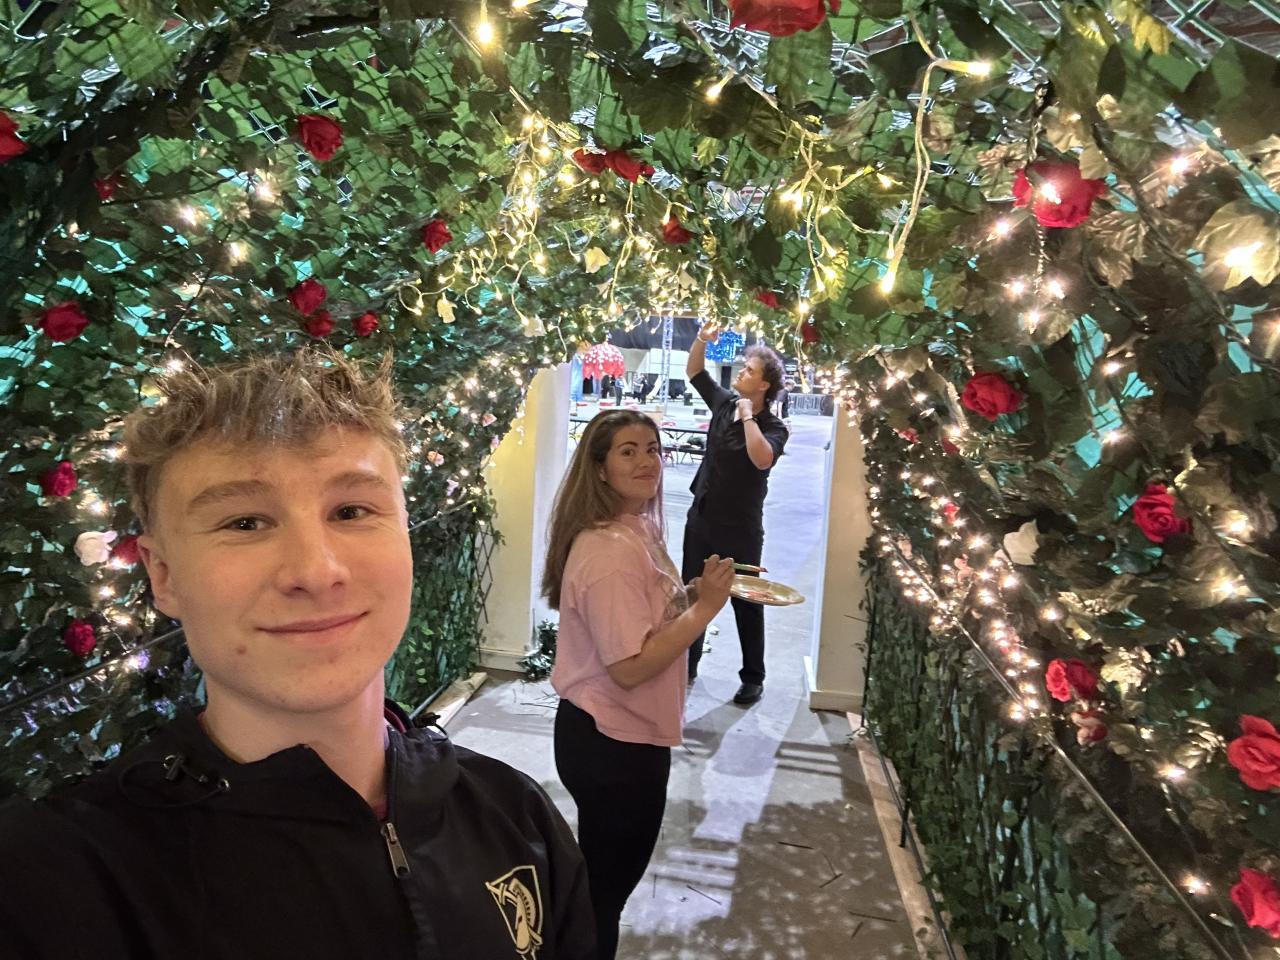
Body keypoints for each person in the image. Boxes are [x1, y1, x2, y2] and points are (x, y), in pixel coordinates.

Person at [0, 348, 594, 960]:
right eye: (244, 523)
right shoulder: (55, 885)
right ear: (164, 575)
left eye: (351, 511)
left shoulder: (517, 816)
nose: (316, 571)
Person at [542, 410, 734, 960]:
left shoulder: (635, 528)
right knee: (604, 893)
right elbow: (628, 667)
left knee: (604, 883)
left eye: (652, 448)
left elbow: (643, 624)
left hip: (624, 734)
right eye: (628, 451)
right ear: (599, 468)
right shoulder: (609, 551)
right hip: (611, 742)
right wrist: (704, 611)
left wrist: (686, 599)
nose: (647, 461)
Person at [682, 329, 789, 704]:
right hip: (702, 518)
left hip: (740, 528)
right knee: (693, 592)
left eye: (749, 370)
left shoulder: (774, 427)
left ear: (764, 385)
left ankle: (753, 677)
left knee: (747, 601)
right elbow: (695, 371)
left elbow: (761, 459)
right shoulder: (724, 403)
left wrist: (747, 418)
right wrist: (701, 339)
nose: (741, 372)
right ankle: (687, 664)